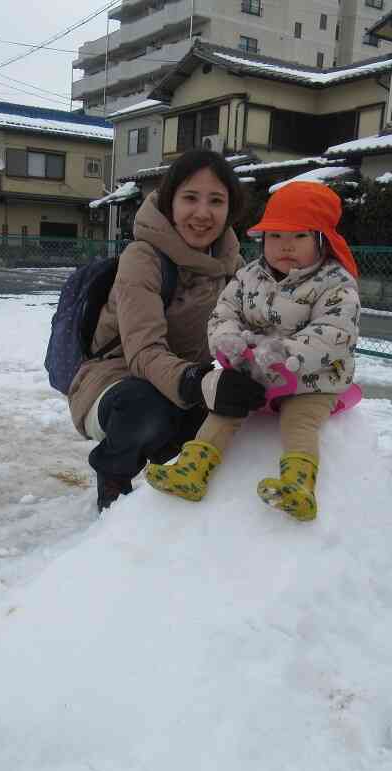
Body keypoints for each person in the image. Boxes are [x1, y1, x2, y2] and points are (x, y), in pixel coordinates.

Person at [144, 181, 361, 521]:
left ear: (322, 238)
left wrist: (283, 353)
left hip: (312, 379)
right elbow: (223, 314)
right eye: (274, 236)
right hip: (256, 371)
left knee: (299, 422)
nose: (284, 246)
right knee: (222, 410)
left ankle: (298, 485)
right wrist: (229, 341)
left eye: (299, 236)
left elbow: (334, 333)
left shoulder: (335, 283)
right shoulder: (249, 276)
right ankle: (191, 470)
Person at [67, 150, 268, 512]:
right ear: (170, 201)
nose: (202, 213)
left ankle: (186, 504)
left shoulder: (232, 265)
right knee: (149, 408)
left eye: (216, 200)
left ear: (230, 209)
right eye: (190, 198)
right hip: (114, 381)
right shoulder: (143, 258)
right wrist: (201, 382)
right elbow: (143, 352)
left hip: (187, 381)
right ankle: (113, 479)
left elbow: (259, 326)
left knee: (239, 412)